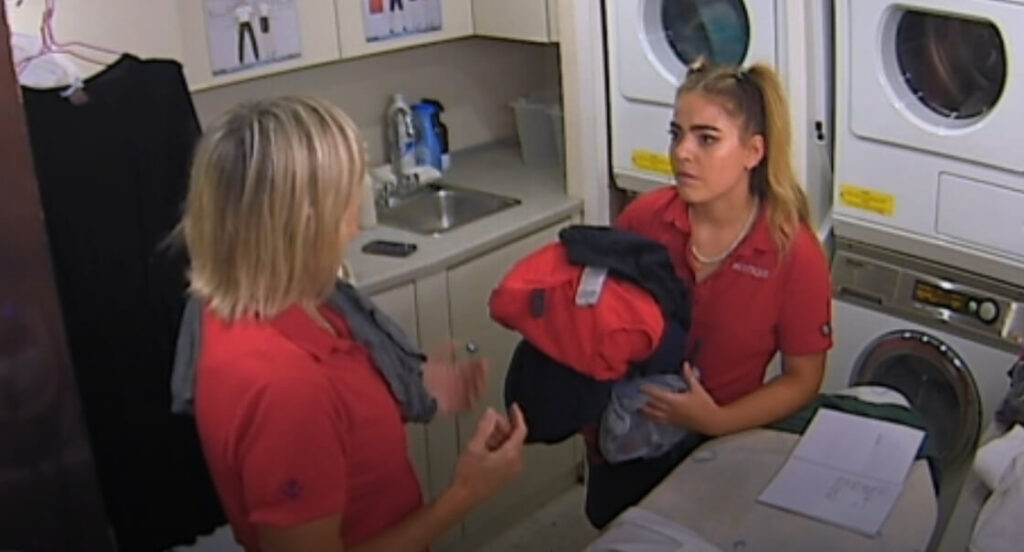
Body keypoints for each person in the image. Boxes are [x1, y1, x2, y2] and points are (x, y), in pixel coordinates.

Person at [179, 97, 527, 552]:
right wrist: (465, 494)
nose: (359, 222)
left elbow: (337, 418)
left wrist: (418, 388)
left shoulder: (273, 303)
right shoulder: (284, 387)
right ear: (307, 221)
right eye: (350, 194)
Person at [587, 59, 833, 526]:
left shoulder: (792, 252)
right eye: (676, 133)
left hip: (723, 441)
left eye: (706, 138)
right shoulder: (645, 220)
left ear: (753, 151)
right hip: (631, 442)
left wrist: (715, 421)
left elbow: (803, 378)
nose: (682, 153)